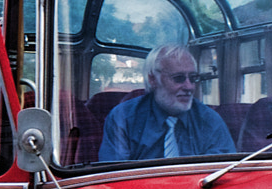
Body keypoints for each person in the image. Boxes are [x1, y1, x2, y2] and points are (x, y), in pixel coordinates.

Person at [99, 44, 236, 161]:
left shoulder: (209, 120)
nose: (189, 87)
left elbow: (223, 174)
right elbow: (114, 176)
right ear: (153, 79)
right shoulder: (124, 118)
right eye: (178, 78)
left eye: (193, 78)